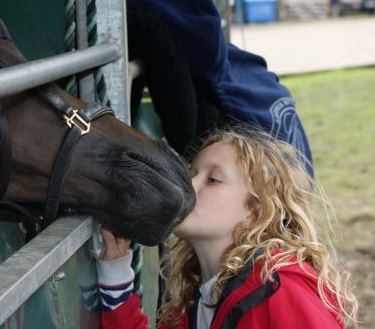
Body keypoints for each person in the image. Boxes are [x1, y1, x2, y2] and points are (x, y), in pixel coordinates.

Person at [95, 125, 358, 328]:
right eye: (189, 174)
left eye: (212, 180)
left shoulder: (278, 289)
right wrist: (116, 270)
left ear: (256, 210)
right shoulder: (200, 303)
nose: (187, 187)